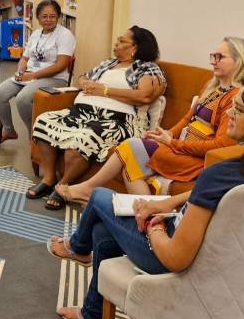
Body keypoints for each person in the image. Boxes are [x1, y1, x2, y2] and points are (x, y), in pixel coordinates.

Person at [47, 70, 244, 319]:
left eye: (237, 109)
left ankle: (78, 250)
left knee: (99, 200)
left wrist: (155, 225)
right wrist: (170, 201)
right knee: (103, 232)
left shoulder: (220, 174)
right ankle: (92, 316)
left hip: (177, 261)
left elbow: (175, 259)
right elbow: (218, 195)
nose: (229, 116)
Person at [60, 37, 244, 202]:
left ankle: (89, 189)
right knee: (131, 161)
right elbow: (188, 119)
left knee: (130, 147)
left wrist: (173, 143)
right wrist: (166, 133)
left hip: (195, 159)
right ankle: (147, 217)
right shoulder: (212, 87)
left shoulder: (236, 97)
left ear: (239, 61)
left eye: (219, 57)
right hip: (182, 147)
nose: (213, 61)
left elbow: (222, 145)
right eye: (213, 56)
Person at [27, 26, 166, 210]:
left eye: (121, 41)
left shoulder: (147, 68)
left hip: (117, 120)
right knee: (44, 121)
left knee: (82, 139)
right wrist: (84, 82)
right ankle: (49, 178)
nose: (116, 44)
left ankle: (65, 186)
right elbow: (83, 76)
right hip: (83, 112)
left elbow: (145, 95)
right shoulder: (109, 63)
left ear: (136, 47)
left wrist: (105, 91)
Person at [0, 0, 75, 143]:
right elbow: (24, 58)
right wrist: (20, 71)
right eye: (44, 16)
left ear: (58, 17)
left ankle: (34, 137)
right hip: (30, 75)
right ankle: (9, 130)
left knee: (23, 99)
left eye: (53, 16)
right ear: (38, 18)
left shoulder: (65, 35)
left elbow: (61, 65)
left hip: (55, 78)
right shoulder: (36, 33)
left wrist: (32, 76)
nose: (49, 20)